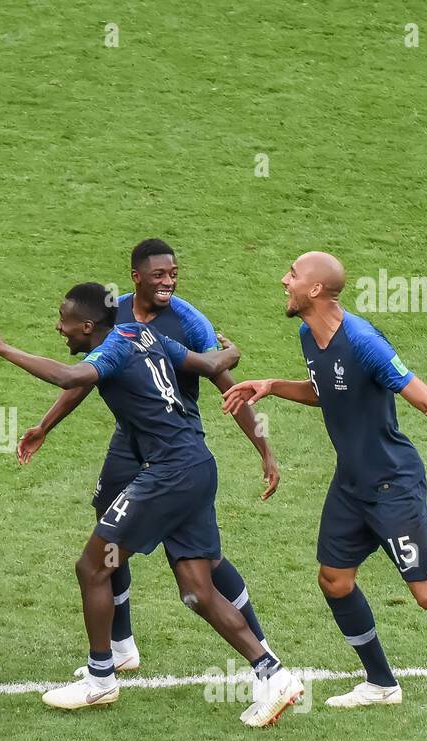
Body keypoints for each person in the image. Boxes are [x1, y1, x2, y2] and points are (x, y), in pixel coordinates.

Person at [221, 251, 427, 729]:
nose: (284, 280)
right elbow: (326, 389)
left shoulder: (364, 343)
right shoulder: (308, 335)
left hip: (392, 486)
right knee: (334, 581)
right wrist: (273, 385)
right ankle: (381, 683)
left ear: (315, 290)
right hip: (351, 485)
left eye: (293, 275)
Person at [0, 284, 304, 726]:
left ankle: (101, 678)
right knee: (198, 590)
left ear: (87, 326)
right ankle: (273, 675)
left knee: (93, 567)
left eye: (64, 320)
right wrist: (233, 352)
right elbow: (209, 365)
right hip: (198, 467)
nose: (59, 327)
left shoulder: (114, 349)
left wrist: (2, 348)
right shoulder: (142, 334)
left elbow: (69, 377)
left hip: (168, 476)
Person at [18, 239, 280, 676]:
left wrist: (264, 448)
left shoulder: (189, 321)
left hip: (174, 444)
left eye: (173, 274)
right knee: (107, 536)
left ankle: (262, 649)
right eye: (159, 275)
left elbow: (225, 381)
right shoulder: (112, 312)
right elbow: (88, 375)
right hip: (132, 442)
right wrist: (46, 425)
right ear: (136, 277)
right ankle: (121, 647)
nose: (168, 282)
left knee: (203, 563)